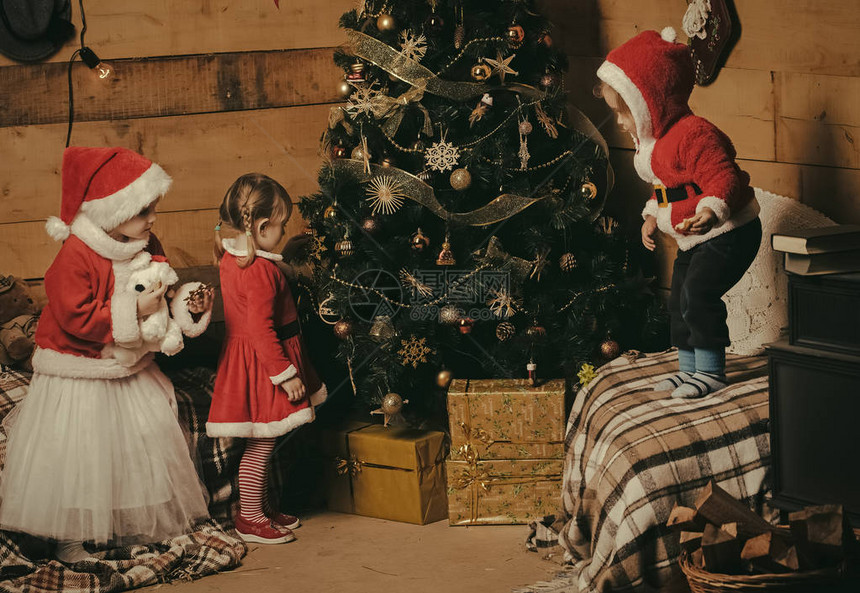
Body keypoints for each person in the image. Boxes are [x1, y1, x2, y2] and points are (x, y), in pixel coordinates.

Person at [0, 147, 214, 562]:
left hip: (129, 368)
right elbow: (73, 315)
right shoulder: (74, 256)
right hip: (81, 370)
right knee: (79, 454)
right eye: (142, 211)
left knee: (138, 449)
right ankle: (69, 539)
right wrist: (133, 310)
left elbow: (162, 291)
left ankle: (126, 528)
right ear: (111, 214)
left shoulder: (144, 243)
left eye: (153, 209)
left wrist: (187, 307)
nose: (152, 219)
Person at [595, 28, 762, 398]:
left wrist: (712, 210)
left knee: (698, 294)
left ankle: (712, 372)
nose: (621, 124)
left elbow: (724, 177)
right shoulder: (656, 145)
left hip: (731, 230)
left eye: (624, 114)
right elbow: (667, 189)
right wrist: (652, 216)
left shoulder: (695, 134)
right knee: (678, 300)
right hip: (695, 237)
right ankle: (689, 371)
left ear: (650, 103)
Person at [208, 173, 326, 544]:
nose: (284, 230)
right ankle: (250, 517)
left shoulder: (234, 258)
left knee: (268, 439)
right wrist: (285, 374)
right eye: (282, 224)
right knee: (262, 442)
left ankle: (262, 507)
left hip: (252, 358)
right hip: (265, 365)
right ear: (261, 227)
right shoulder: (258, 271)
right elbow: (261, 330)